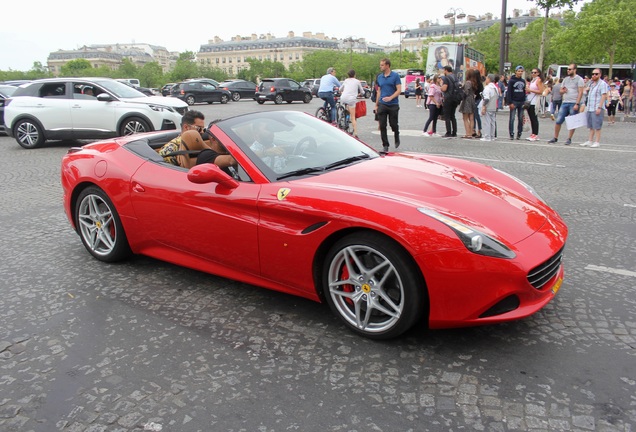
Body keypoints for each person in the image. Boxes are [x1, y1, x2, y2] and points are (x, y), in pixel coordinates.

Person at [159, 110, 236, 171]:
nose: (202, 132)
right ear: (186, 127)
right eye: (199, 128)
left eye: (203, 129)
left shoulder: (199, 143)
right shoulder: (170, 150)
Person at [547, 63, 585, 145]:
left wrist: (577, 103)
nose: (568, 70)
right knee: (558, 120)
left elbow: (580, 92)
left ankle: (569, 138)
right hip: (565, 102)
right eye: (567, 69)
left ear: (574, 70)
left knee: (572, 121)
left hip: (574, 102)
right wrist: (563, 91)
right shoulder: (565, 79)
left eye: (570, 69)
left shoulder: (579, 79)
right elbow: (560, 91)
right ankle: (555, 137)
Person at [375, 58, 401, 152]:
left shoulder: (395, 76)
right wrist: (377, 104)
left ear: (387, 65)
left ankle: (396, 134)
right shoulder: (380, 77)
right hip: (383, 104)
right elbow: (379, 91)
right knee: (382, 125)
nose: (380, 66)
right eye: (380, 65)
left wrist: (391, 97)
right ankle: (385, 145)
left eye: (382, 65)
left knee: (393, 124)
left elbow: (399, 90)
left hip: (393, 104)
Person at [581, 69, 609, 148]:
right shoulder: (591, 84)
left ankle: (597, 141)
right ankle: (590, 140)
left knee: (597, 125)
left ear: (600, 74)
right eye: (593, 74)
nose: (594, 75)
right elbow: (586, 94)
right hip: (590, 107)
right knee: (591, 125)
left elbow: (604, 95)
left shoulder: (602, 84)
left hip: (597, 106)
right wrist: (586, 90)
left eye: (596, 74)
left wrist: (599, 107)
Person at [339, 69, 365, 137]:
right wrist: (360, 94)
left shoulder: (346, 80)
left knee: (347, 106)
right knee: (353, 117)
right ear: (354, 75)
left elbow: (340, 89)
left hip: (343, 97)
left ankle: (345, 116)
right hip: (351, 99)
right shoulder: (357, 81)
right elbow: (362, 92)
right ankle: (356, 133)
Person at [505, 65, 527, 140]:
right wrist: (510, 102)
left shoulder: (523, 81)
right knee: (512, 118)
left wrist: (524, 101)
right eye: (519, 71)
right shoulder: (512, 81)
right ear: (516, 71)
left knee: (520, 118)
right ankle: (511, 133)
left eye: (521, 71)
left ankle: (519, 133)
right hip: (514, 101)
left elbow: (524, 92)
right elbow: (509, 92)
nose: (520, 72)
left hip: (521, 101)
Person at [524, 68, 545, 141]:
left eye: (535, 72)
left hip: (534, 101)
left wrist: (530, 90)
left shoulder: (538, 80)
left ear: (538, 73)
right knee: (531, 118)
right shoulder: (532, 80)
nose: (533, 74)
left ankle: (535, 134)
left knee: (534, 118)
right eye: (532, 72)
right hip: (530, 100)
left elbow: (541, 91)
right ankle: (533, 133)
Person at [440, 65, 459, 138]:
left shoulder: (446, 78)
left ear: (446, 70)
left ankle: (448, 132)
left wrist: (440, 87)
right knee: (453, 116)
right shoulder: (455, 77)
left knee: (447, 116)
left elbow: (444, 88)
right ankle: (454, 132)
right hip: (455, 98)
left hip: (448, 98)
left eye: (444, 70)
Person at [480, 73, 500, 142]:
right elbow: (497, 96)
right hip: (494, 106)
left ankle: (487, 136)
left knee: (487, 122)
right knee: (492, 122)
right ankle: (492, 136)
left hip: (488, 106)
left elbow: (486, 98)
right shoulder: (495, 88)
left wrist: (483, 106)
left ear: (488, 79)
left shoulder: (487, 88)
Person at [459, 69, 477, 139]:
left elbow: (466, 92)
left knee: (465, 118)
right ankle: (471, 132)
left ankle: (468, 133)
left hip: (467, 100)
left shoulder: (468, 82)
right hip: (472, 100)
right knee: (471, 118)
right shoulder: (474, 82)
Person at [472, 70, 484, 138]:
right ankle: (477, 130)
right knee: (475, 116)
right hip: (478, 100)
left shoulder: (476, 83)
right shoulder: (480, 83)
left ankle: (477, 130)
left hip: (476, 100)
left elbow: (476, 93)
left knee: (475, 116)